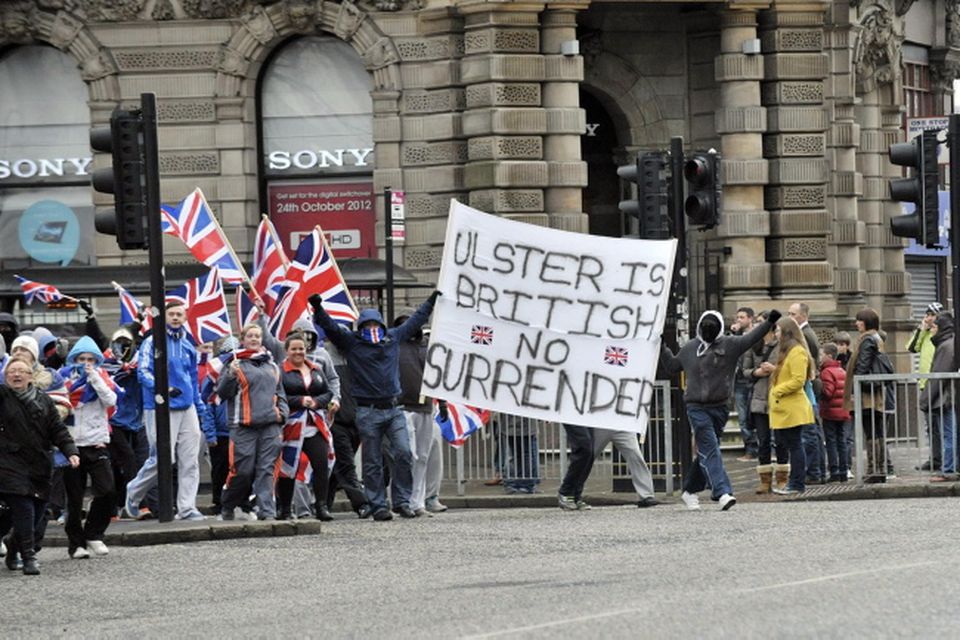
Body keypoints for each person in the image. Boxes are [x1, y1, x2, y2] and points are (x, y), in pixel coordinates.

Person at [310, 291, 439, 521]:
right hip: (367, 411)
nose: (372, 328)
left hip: (394, 408)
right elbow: (331, 327)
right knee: (372, 461)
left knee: (404, 452)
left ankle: (401, 501)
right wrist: (318, 309)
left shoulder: (393, 338)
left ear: (380, 324)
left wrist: (430, 302)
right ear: (360, 327)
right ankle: (378, 504)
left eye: (375, 324)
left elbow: (415, 321)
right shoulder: (353, 343)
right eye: (367, 324)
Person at [660, 309, 779, 511]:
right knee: (709, 446)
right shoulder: (690, 348)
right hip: (696, 407)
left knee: (708, 449)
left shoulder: (731, 344)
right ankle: (722, 492)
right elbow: (672, 366)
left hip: (719, 407)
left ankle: (689, 491)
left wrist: (770, 322)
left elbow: (752, 337)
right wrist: (662, 346)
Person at [125, 301, 215, 521]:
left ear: (185, 318)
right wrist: (163, 388)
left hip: (187, 406)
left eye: (179, 314)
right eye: (172, 314)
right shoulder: (152, 342)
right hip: (159, 406)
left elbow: (193, 378)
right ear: (164, 317)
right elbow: (142, 372)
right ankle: (134, 492)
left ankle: (186, 507)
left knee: (190, 458)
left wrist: (199, 406)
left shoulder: (187, 345)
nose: (175, 317)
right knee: (163, 458)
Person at [0, 356, 80, 576]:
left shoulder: (43, 400)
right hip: (9, 463)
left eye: (21, 371)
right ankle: (29, 558)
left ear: (30, 376)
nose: (16, 375)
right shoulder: (2, 396)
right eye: (11, 371)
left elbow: (58, 430)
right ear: (6, 377)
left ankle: (13, 546)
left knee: (36, 516)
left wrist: (71, 451)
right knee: (23, 508)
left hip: (39, 465)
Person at [217, 323, 289, 521]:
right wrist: (230, 374)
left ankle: (267, 512)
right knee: (242, 471)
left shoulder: (272, 365)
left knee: (267, 470)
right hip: (243, 426)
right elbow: (222, 393)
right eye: (251, 336)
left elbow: (280, 392)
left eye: (258, 336)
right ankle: (228, 504)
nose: (255, 339)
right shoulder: (234, 363)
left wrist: (282, 414)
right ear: (243, 339)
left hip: (270, 425)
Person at [59, 336, 118, 559]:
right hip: (71, 445)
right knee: (74, 498)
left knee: (108, 490)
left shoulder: (102, 377)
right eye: (81, 358)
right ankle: (76, 544)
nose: (85, 363)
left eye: (90, 359)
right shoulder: (63, 378)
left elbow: (111, 400)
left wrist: (94, 377)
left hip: (96, 443)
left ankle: (94, 533)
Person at [277, 332, 334, 521]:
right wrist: (300, 400)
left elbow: (327, 393)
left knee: (321, 464)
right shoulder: (280, 371)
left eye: (301, 348)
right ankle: (285, 508)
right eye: (294, 349)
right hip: (291, 425)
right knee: (288, 467)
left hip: (314, 424)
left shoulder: (316, 369)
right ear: (287, 351)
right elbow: (279, 395)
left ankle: (321, 506)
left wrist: (316, 402)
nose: (298, 352)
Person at [395, 315, 446, 516]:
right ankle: (404, 499)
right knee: (409, 454)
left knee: (423, 456)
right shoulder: (394, 347)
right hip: (402, 407)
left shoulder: (427, 348)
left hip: (425, 408)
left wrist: (442, 403)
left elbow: (436, 376)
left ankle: (417, 502)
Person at [101, 326, 148, 519]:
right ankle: (138, 504)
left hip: (135, 419)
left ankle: (117, 506)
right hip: (113, 420)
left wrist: (133, 370)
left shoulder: (140, 364)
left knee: (124, 464)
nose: (123, 348)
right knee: (126, 460)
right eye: (119, 344)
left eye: (127, 344)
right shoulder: (105, 364)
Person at [741, 312, 788, 493]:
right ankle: (765, 480)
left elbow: (790, 368)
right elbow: (744, 370)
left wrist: (775, 369)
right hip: (759, 399)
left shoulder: (783, 346)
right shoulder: (753, 346)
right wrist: (756, 373)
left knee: (782, 440)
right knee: (763, 440)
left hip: (778, 397)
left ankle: (783, 478)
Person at [323, 342, 371, 518]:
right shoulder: (326, 360)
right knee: (346, 464)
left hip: (355, 421)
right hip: (336, 422)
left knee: (337, 466)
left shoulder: (357, 360)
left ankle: (323, 504)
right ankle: (361, 504)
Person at [769, 317, 816, 495]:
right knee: (791, 444)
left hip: (793, 407)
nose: (776, 333)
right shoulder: (787, 351)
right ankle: (794, 482)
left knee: (795, 445)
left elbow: (798, 380)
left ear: (787, 332)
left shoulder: (797, 351)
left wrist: (777, 391)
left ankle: (796, 483)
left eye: (779, 330)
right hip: (785, 407)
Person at [843, 308, 890, 483]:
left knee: (871, 431)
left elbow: (862, 365)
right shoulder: (875, 337)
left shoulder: (867, 340)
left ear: (866, 322)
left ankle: (874, 470)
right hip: (874, 393)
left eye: (859, 320)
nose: (856, 323)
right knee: (876, 431)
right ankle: (879, 469)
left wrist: (856, 383)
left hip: (867, 394)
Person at [788, 302, 825, 484]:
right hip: (806, 388)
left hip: (806, 389)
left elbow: (808, 364)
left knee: (811, 433)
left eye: (793, 314)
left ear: (803, 315)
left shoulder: (806, 335)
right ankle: (817, 470)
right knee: (812, 433)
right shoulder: (803, 334)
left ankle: (815, 472)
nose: (790, 317)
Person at [919, 311, 957, 482]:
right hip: (946, 396)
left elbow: (938, 376)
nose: (931, 329)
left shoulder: (946, 346)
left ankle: (948, 469)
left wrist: (925, 399)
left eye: (934, 326)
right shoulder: (946, 344)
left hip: (945, 398)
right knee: (949, 433)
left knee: (948, 433)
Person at [907, 302, 942, 472]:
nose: (928, 318)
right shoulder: (926, 334)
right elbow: (912, 348)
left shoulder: (942, 334)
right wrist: (921, 329)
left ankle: (947, 458)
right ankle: (935, 458)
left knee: (944, 424)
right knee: (931, 425)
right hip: (925, 384)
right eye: (927, 315)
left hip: (940, 384)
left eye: (932, 315)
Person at [592, 429, 659, 507]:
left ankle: (646, 495)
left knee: (636, 457)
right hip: (603, 425)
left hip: (621, 425)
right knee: (586, 457)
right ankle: (574, 491)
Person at [730, 307, 758, 462]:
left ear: (750, 319)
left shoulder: (755, 335)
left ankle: (765, 447)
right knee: (742, 417)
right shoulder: (735, 336)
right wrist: (735, 334)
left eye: (742, 317)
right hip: (739, 380)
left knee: (755, 415)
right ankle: (750, 448)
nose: (739, 320)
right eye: (737, 317)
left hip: (753, 380)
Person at [818, 343, 849, 483]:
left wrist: (818, 386)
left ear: (828, 356)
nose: (820, 357)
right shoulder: (842, 370)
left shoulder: (826, 372)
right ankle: (844, 470)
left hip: (830, 411)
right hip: (842, 411)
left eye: (821, 354)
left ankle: (834, 470)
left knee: (831, 441)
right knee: (842, 441)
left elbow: (828, 392)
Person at [557, 424, 595, 510]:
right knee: (584, 448)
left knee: (590, 452)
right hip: (572, 413)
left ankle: (575, 495)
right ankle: (566, 492)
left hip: (586, 414)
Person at [500, 413, 540, 495]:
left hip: (509, 426)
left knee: (516, 456)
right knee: (526, 455)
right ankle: (526, 484)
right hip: (525, 426)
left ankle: (516, 483)